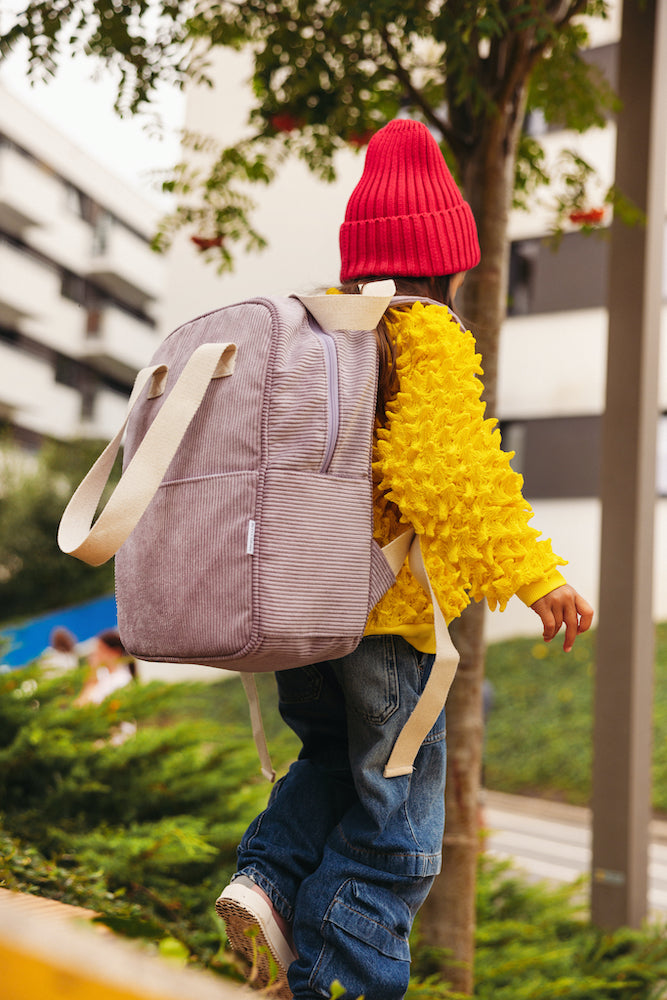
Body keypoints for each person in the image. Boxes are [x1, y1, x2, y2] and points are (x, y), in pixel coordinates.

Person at [215, 119, 594, 1000]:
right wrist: (532, 575)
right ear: (450, 261)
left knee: (327, 762)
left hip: (306, 614)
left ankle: (265, 879)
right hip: (388, 624)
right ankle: (341, 982)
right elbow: (445, 469)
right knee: (398, 840)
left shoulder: (323, 336)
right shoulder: (425, 332)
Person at [75, 628, 137, 707]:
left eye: (101, 649)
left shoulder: (122, 679)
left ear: (115, 652)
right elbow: (79, 704)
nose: (97, 653)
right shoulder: (102, 674)